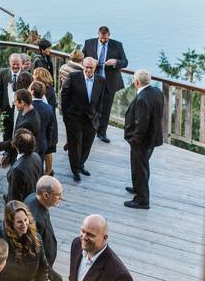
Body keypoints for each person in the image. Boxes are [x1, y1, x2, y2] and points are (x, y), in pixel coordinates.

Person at [123, 69, 165, 209]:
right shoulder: (157, 92)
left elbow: (141, 123)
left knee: (140, 168)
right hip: (152, 138)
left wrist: (134, 139)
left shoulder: (142, 98)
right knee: (141, 165)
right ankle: (137, 187)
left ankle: (142, 200)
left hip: (142, 141)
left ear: (136, 82)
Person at [59, 58, 105, 182]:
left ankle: (81, 164)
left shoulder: (101, 80)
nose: (89, 70)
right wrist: (66, 115)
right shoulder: (73, 77)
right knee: (75, 145)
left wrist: (98, 115)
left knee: (87, 144)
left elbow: (101, 100)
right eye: (87, 67)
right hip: (74, 117)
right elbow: (64, 96)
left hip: (91, 118)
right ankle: (75, 170)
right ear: (83, 66)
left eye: (91, 67)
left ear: (95, 68)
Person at [81, 27, 129, 143]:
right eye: (101, 39)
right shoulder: (89, 43)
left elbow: (125, 62)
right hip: (92, 80)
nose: (103, 41)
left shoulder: (117, 45)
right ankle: (87, 129)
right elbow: (82, 59)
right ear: (98, 35)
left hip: (109, 82)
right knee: (90, 105)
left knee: (106, 109)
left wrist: (116, 62)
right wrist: (91, 61)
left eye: (105, 39)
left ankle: (102, 133)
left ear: (109, 35)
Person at [0, 201, 49, 281]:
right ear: (11, 223)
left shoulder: (36, 237)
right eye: (19, 222)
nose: (24, 225)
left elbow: (43, 267)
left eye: (25, 219)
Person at [69, 215, 132, 281]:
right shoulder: (77, 244)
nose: (84, 237)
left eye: (90, 235)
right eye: (83, 231)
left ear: (105, 238)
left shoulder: (120, 275)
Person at [25, 176, 63, 281]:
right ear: (45, 195)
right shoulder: (35, 220)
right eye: (58, 195)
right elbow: (35, 254)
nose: (61, 198)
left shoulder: (33, 197)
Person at [0, 54, 30, 141]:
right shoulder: (4, 72)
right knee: (6, 131)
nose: (15, 66)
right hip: (6, 107)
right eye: (13, 64)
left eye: (17, 64)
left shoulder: (27, 75)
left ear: (21, 63)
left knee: (18, 131)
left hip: (20, 109)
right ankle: (7, 151)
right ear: (9, 63)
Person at [31, 68, 59, 176]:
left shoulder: (46, 91)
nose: (33, 76)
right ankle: (48, 170)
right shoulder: (49, 89)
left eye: (34, 75)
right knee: (48, 149)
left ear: (39, 77)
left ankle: (48, 171)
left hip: (47, 123)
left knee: (48, 150)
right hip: (49, 121)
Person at [5, 130, 43, 204]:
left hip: (23, 206)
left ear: (15, 145)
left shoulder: (17, 170)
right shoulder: (36, 156)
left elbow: (15, 197)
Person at [28, 82, 55, 161]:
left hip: (28, 143)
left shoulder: (27, 107)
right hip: (42, 142)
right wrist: (47, 141)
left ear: (32, 91)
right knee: (39, 167)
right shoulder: (49, 108)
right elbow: (50, 129)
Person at [12, 89, 41, 156]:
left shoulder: (28, 123)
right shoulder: (28, 112)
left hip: (25, 155)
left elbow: (17, 141)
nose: (14, 103)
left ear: (22, 103)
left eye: (15, 101)